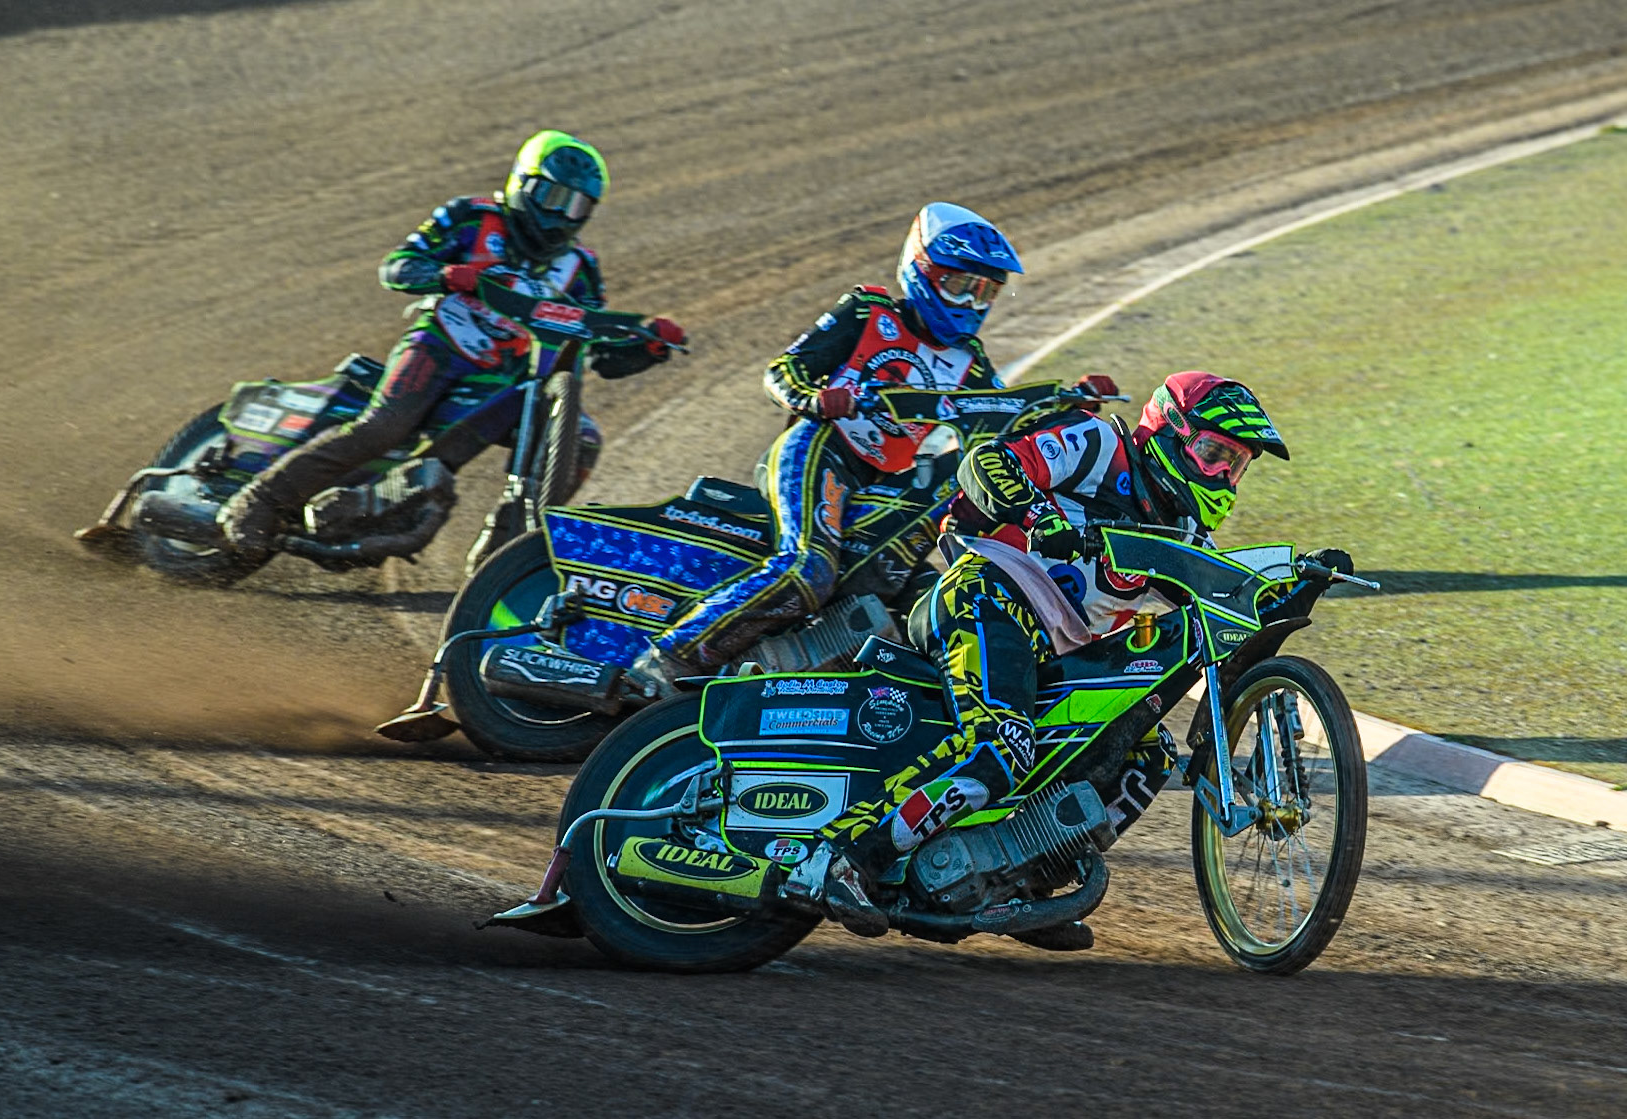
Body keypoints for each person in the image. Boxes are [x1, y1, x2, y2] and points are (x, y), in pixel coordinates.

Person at [795, 370, 1350, 935]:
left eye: (1236, 465)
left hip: (1058, 655)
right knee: (1001, 749)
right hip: (992, 595)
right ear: (1168, 431)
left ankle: (1017, 888)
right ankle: (843, 857)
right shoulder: (1100, 445)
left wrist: (1294, 589)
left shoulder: (1188, 537)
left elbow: (1224, 640)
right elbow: (986, 463)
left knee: (1146, 754)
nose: (1223, 477)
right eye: (1212, 453)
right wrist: (1042, 517)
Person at [218, 129, 685, 571]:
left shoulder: (580, 267)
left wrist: (645, 347)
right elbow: (397, 267)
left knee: (580, 437)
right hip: (440, 344)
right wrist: (444, 275)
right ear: (523, 183)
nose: (562, 213)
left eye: (577, 204)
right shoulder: (472, 216)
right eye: (552, 196)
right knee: (386, 426)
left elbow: (594, 350)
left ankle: (508, 553)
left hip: (506, 380)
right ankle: (260, 500)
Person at [627, 201, 1023, 694]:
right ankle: (665, 660)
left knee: (926, 599)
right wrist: (813, 398)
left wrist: (1072, 405)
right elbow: (783, 370)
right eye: (960, 285)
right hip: (820, 449)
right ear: (922, 270)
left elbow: (1010, 418)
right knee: (807, 570)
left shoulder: (973, 364)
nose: (970, 304)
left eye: (985, 290)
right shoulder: (868, 312)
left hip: (885, 485)